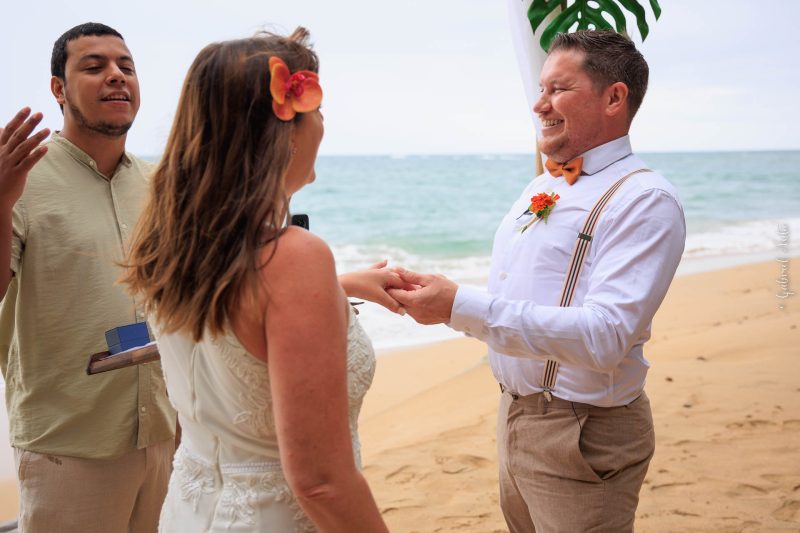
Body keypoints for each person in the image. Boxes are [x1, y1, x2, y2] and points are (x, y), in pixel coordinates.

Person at [389, 30, 686, 532]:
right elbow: (524, 293)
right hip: (515, 415)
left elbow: (605, 336)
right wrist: (438, 295)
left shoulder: (646, 200)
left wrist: (458, 306)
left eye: (556, 89)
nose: (539, 103)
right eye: (541, 88)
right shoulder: (541, 184)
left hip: (582, 433)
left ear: (615, 97)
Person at [122, 29, 395, 532]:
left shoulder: (170, 243)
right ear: (284, 129)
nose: (322, 125)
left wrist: (341, 287)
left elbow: (239, 331)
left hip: (189, 511)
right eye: (315, 109)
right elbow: (320, 481)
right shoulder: (293, 257)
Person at [0, 23, 177, 532]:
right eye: (94, 67)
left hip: (164, 432)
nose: (116, 77)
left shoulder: (157, 184)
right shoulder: (20, 178)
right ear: (58, 88)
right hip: (69, 445)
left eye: (126, 66)